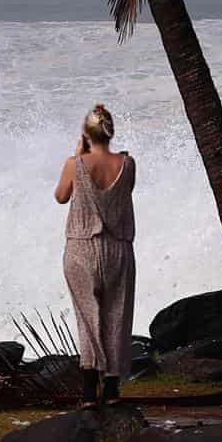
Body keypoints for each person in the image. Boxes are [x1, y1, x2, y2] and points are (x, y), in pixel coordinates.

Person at [53, 104, 136, 407]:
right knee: (117, 315)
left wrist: (78, 155)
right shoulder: (128, 164)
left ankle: (89, 391)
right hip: (118, 248)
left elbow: (61, 196)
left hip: (81, 248)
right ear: (110, 132)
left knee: (88, 318)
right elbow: (125, 192)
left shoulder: (74, 164)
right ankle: (112, 388)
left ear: (86, 134)